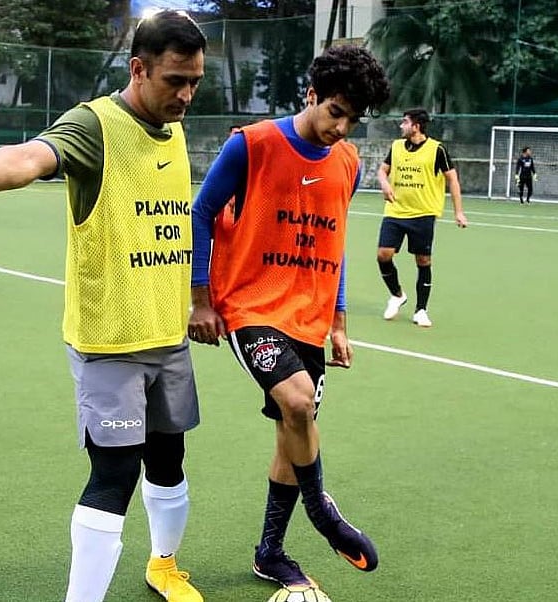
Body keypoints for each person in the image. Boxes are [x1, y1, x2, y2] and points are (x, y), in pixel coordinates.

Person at [0, 10, 208, 602]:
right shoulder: (97, 124)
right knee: (115, 473)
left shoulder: (173, 129)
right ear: (138, 69)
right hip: (110, 342)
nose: (185, 94)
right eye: (174, 80)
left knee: (168, 460)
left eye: (195, 82)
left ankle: (164, 564)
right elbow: (31, 157)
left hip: (168, 337)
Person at [188, 45, 391, 590]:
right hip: (250, 306)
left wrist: (340, 320)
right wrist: (201, 299)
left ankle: (270, 553)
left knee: (290, 427)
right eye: (335, 112)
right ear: (311, 95)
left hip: (311, 316)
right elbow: (202, 212)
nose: (342, 128)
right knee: (298, 401)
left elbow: (336, 239)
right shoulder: (251, 145)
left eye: (353, 119)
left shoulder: (346, 162)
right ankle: (322, 512)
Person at [376, 108, 467, 327]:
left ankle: (421, 310)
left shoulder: (437, 149)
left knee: (423, 261)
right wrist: (385, 183)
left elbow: (452, 180)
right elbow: (382, 171)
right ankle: (397, 295)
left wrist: (458, 211)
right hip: (395, 211)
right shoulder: (396, 147)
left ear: (416, 126)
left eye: (404, 122)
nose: (401, 126)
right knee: (383, 255)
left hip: (423, 214)